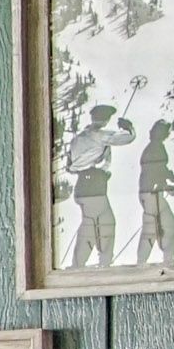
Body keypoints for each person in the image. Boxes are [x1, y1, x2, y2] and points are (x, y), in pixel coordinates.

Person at [63, 103, 133, 269]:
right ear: (105, 119)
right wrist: (129, 128)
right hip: (95, 188)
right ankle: (102, 262)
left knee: (90, 223)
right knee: (105, 223)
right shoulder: (100, 135)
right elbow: (128, 138)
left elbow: (70, 166)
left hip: (82, 186)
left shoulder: (78, 138)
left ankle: (79, 264)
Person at [136, 119, 174, 266]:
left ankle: (142, 260)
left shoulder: (151, 148)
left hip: (147, 192)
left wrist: (171, 183)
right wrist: (171, 184)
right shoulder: (156, 149)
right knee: (168, 224)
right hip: (153, 192)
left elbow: (157, 171)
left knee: (151, 227)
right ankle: (168, 258)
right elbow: (159, 171)